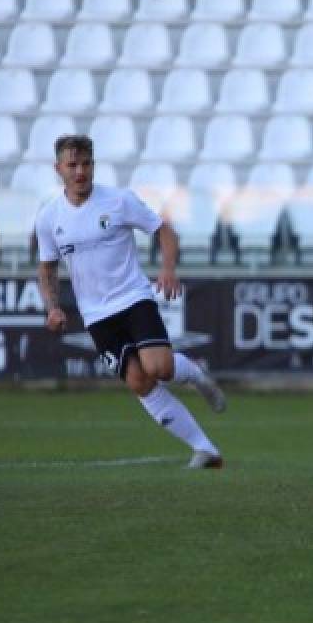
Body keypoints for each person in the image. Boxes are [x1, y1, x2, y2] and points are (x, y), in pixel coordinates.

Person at [35, 135, 227, 468]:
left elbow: (164, 232)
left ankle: (194, 375)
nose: (80, 171)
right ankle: (205, 449)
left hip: (133, 297)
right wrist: (52, 307)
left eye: (86, 164)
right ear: (58, 169)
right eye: (73, 165)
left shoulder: (119, 200)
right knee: (139, 381)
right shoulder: (49, 218)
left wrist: (168, 269)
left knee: (160, 369)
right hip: (96, 315)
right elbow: (47, 267)